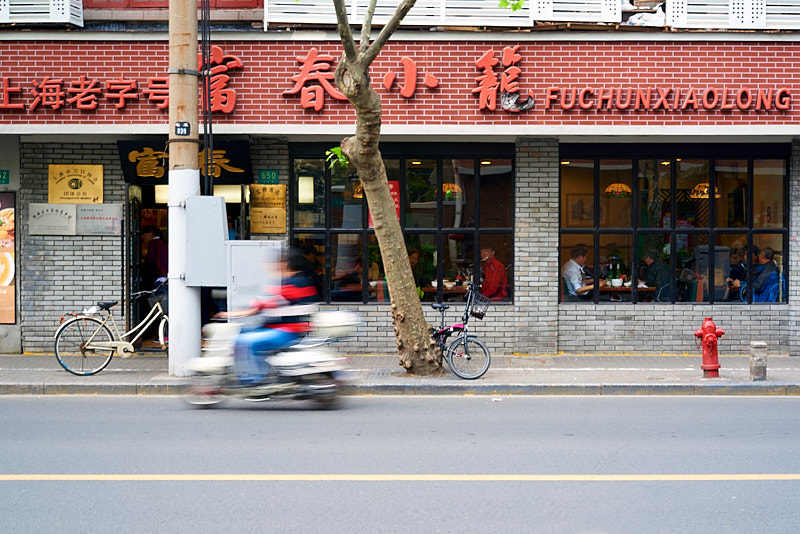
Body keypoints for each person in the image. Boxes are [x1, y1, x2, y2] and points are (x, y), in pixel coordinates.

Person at [224, 248, 321, 385]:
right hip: (280, 328)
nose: (272, 265)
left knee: (245, 341)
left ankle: (254, 381)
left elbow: (269, 303)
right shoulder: (291, 281)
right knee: (242, 332)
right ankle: (260, 372)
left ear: (285, 264)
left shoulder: (296, 282)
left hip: (287, 332)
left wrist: (239, 312)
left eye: (276, 262)